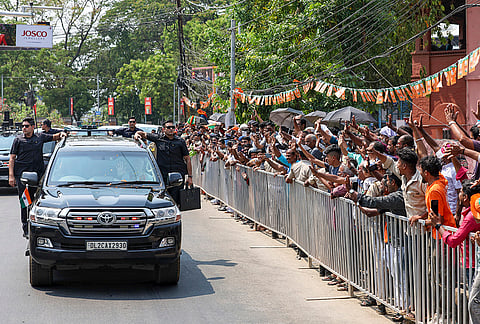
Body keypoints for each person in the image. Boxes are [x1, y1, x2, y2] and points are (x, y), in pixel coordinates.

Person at [9, 117, 67, 237]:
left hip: (38, 176)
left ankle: (36, 225)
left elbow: (54, 137)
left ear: (32, 127)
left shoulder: (39, 137)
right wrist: (11, 176)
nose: (24, 128)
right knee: (24, 202)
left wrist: (61, 134)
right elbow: (12, 158)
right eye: (23, 126)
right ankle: (25, 228)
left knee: (37, 201)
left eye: (26, 126)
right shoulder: (18, 140)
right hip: (23, 176)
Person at [134, 120, 192, 205]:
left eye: (172, 127)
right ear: (164, 129)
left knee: (176, 202)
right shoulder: (158, 138)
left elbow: (187, 159)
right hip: (162, 176)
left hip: (178, 176)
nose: (171, 129)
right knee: (162, 200)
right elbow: (142, 133)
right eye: (168, 127)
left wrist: (190, 177)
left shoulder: (180, 141)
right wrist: (136, 134)